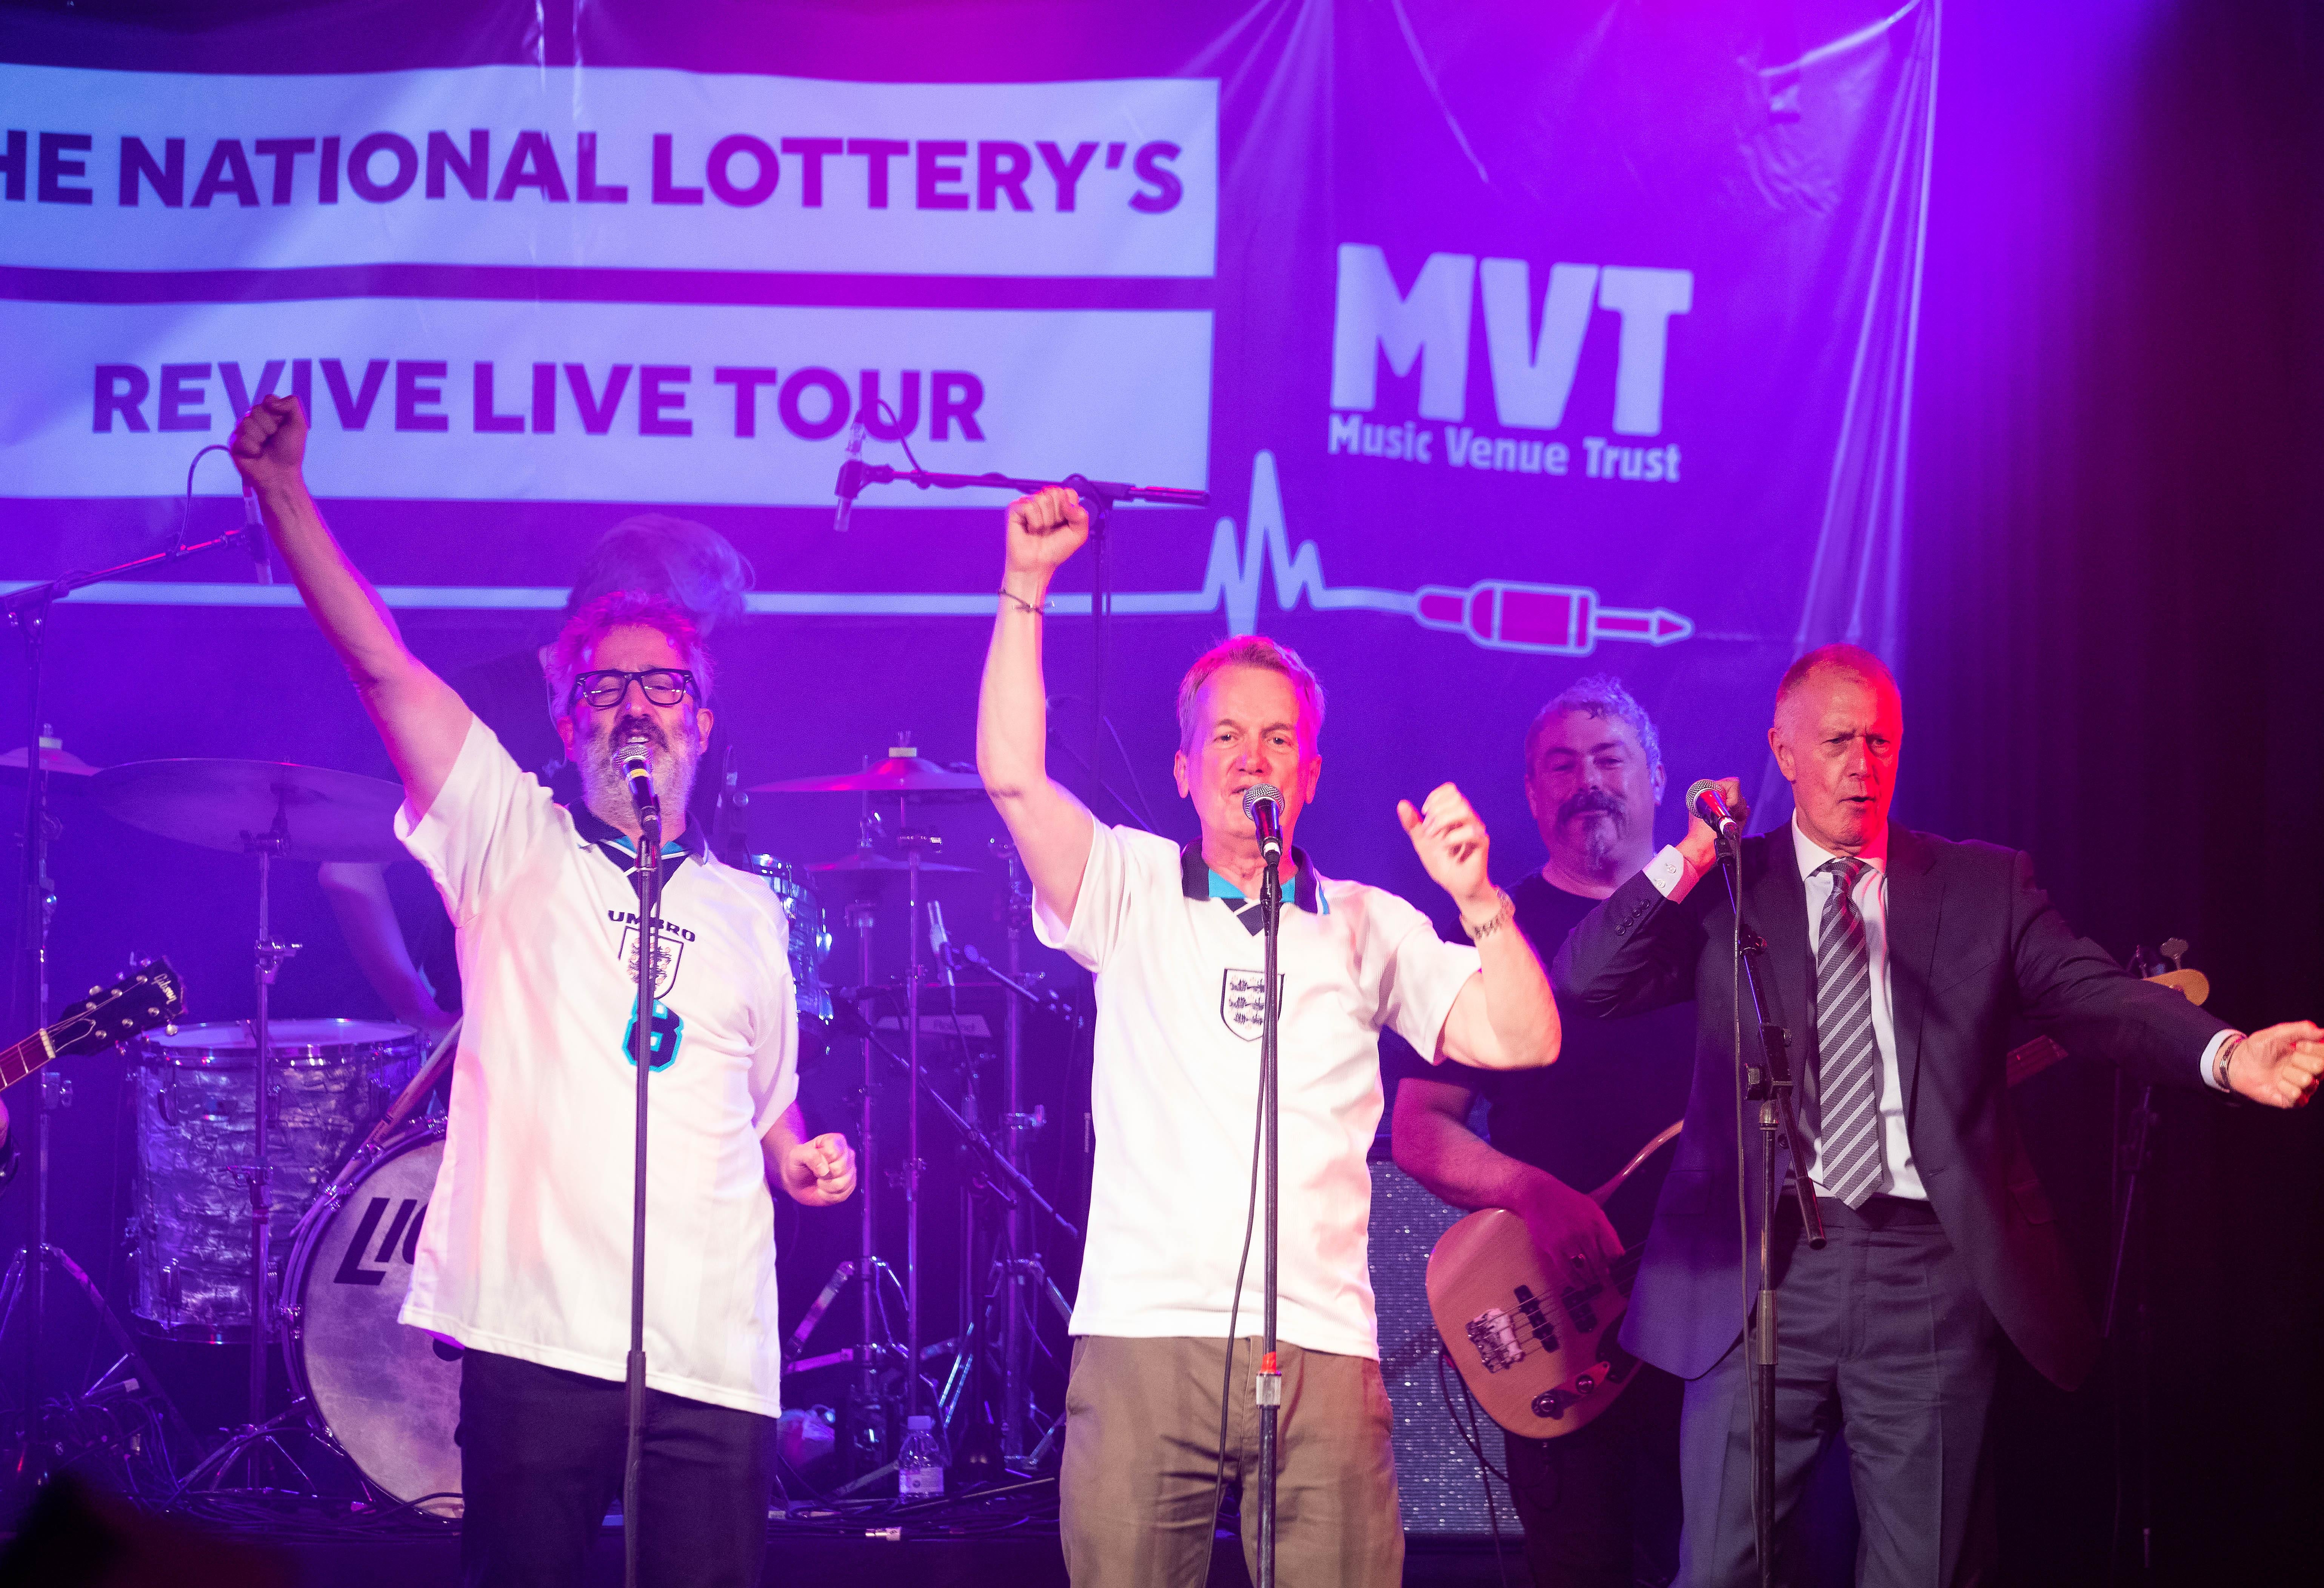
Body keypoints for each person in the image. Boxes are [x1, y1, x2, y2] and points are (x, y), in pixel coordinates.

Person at [232, 392, 855, 1588]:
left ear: (706, 725)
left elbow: (762, 1097)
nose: (636, 706)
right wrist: (287, 500)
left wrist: (799, 1156)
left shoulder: (749, 912)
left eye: (665, 687)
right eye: (606, 689)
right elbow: (381, 664)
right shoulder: (511, 846)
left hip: (712, 1358)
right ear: (566, 726)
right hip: (539, 1341)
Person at [1555, 642, 2324, 1588]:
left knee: (1926, 1572)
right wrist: (1686, 854)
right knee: (1722, 1569)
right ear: (1785, 750)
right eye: (1838, 739)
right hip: (1758, 1274)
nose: (1862, 762)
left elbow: (2099, 995)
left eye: (1882, 740)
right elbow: (1590, 981)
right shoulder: (1728, 885)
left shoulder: (1979, 888)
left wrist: (2226, 1052)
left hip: (1924, 1272)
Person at [977, 486, 1563, 1588]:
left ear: (1313, 775)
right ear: (1186, 771)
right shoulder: (1134, 887)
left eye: (1280, 739)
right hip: (1149, 1334)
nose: (1255, 759)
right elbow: (1012, 776)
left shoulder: (1366, 924)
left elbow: (1523, 1039)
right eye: (1228, 738)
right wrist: (1026, 589)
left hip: (1325, 1351)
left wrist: (1481, 900)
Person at [1388, 675, 1691, 1588]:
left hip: (1715, 1322)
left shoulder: (1725, 921)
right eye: (1562, 766)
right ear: (1532, 794)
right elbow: (1418, 1132)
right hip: (1565, 1321)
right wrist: (1531, 1191)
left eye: (1610, 759)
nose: (1588, 780)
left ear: (1658, 778)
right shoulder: (1489, 934)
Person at [318, 513, 754, 1035]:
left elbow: (695, 878)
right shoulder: (481, 704)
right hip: (495, 1033)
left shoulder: (688, 719)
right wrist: (420, 1014)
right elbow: (347, 869)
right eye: (683, 637)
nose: (686, 666)